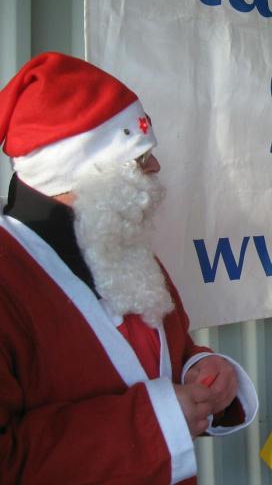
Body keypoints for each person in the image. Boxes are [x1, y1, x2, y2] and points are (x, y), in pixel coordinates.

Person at [0, 52, 258, 483]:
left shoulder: (121, 245)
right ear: (79, 169)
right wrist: (157, 422)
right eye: (140, 158)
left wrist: (198, 369)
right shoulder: (9, 280)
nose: (155, 167)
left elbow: (162, 355)